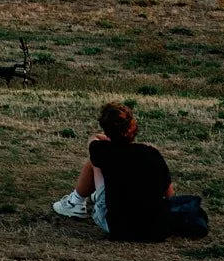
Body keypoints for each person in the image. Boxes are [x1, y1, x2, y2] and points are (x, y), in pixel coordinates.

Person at [53, 103, 174, 241]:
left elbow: (93, 140)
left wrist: (107, 138)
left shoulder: (103, 151)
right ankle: (90, 198)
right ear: (133, 126)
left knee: (93, 161)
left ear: (106, 130)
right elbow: (170, 195)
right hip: (156, 229)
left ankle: (76, 202)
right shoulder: (152, 153)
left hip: (119, 228)